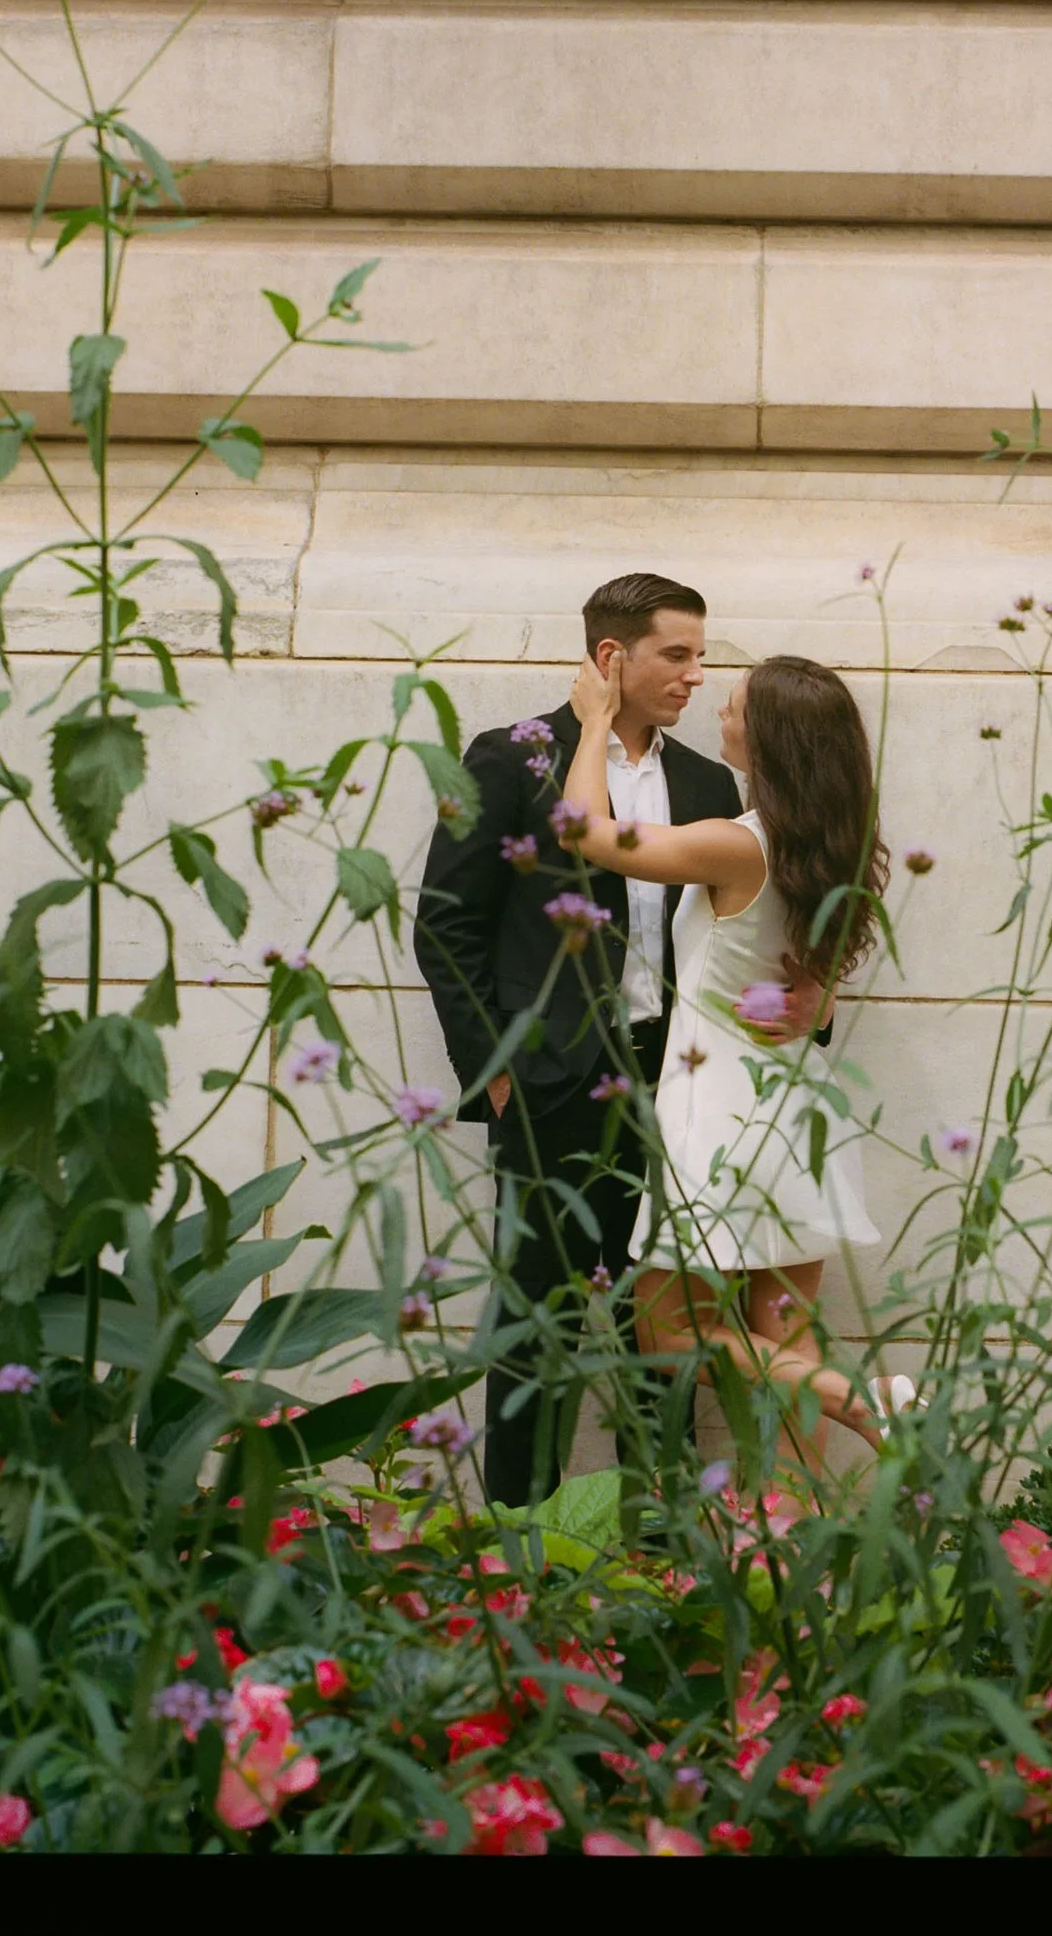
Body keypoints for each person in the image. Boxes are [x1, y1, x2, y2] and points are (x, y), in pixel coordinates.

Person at [415, 573, 818, 1511]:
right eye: (677, 654)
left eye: (699, 656)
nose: (695, 675)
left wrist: (809, 1003)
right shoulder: (512, 759)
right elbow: (447, 923)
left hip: (677, 1086)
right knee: (534, 1323)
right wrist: (499, 1068)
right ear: (612, 657)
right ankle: (520, 1536)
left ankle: (658, 1543)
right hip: (550, 1082)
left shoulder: (709, 783)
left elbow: (755, 920)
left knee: (664, 1321)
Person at [557, 643, 896, 1477]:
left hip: (719, 1109)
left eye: (738, 705)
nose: (722, 711)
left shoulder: (737, 845)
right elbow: (803, 978)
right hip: (797, 1109)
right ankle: (793, 1541)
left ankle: (855, 1398)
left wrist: (595, 724)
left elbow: (583, 834)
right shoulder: (838, 847)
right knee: (783, 1327)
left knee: (670, 1329)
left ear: (772, 740)